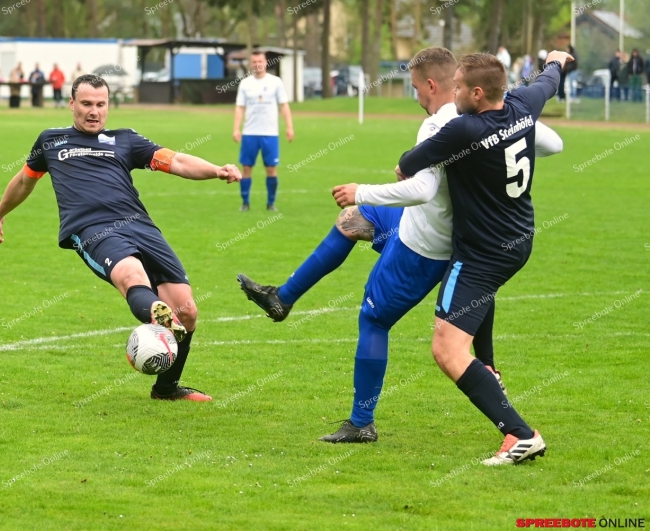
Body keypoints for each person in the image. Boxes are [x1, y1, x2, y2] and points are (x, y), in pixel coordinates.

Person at [238, 47, 563, 443]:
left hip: (425, 245)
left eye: (415, 87)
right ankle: (283, 298)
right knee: (351, 221)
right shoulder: (500, 113)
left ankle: (362, 423)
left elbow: (422, 188)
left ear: (432, 85)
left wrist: (362, 190)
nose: (415, 95)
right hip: (443, 228)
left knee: (374, 319)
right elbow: (552, 143)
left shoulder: (443, 127)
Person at [0, 74, 242, 401]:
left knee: (188, 310)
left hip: (140, 226)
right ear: (71, 104)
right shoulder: (51, 140)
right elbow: (25, 181)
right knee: (131, 275)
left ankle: (165, 388)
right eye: (86, 104)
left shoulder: (125, 140)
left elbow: (177, 160)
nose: (94, 111)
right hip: (91, 228)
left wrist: (216, 170)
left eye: (101, 104)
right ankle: (157, 313)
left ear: (108, 106)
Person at [395, 50, 573, 465]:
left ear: (477, 93)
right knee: (468, 322)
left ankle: (520, 435)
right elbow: (548, 82)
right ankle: (489, 368)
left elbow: (409, 163)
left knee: (447, 349)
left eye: (458, 87)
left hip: (481, 252)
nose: (452, 92)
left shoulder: (464, 129)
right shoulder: (522, 105)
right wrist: (556, 61)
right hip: (517, 240)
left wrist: (404, 168)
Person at [233, 50, 294, 212]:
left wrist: (289, 126)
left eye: (260, 61)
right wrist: (236, 128)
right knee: (246, 167)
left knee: (271, 168)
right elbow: (240, 107)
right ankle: (245, 203)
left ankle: (271, 203)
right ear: (251, 64)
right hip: (250, 133)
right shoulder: (245, 83)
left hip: (270, 133)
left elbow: (284, 105)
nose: (257, 64)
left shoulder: (276, 82)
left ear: (266, 62)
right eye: (254, 62)